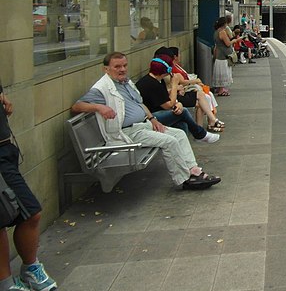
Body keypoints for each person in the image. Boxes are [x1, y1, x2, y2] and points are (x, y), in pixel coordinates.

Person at [71, 52, 221, 190]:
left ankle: (194, 171)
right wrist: (99, 107)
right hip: (128, 132)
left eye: (124, 65)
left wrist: (152, 119)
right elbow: (77, 106)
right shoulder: (102, 88)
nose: (122, 69)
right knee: (169, 142)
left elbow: (140, 103)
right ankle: (185, 180)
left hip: (144, 124)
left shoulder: (125, 83)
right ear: (106, 69)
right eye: (117, 66)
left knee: (179, 135)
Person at [0, 83, 58, 291]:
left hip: (6, 150)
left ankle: (22, 272)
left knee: (14, 214)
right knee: (30, 211)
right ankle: (9, 282)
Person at [135, 56, 219, 143]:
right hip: (150, 117)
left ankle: (183, 149)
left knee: (182, 124)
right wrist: (174, 85)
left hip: (157, 111)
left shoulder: (158, 80)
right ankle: (200, 134)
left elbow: (164, 98)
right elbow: (168, 105)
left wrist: (177, 102)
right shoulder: (151, 84)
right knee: (184, 112)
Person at [154, 47, 224, 133]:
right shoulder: (163, 73)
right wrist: (176, 88)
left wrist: (177, 88)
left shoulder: (168, 70)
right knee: (201, 99)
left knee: (202, 98)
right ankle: (205, 126)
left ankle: (203, 127)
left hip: (175, 96)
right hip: (172, 98)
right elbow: (169, 102)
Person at [212, 16, 234, 96]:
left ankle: (221, 89)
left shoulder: (216, 32)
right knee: (224, 72)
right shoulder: (222, 32)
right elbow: (228, 43)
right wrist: (235, 40)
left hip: (218, 54)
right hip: (223, 55)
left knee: (220, 72)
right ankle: (222, 90)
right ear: (224, 24)